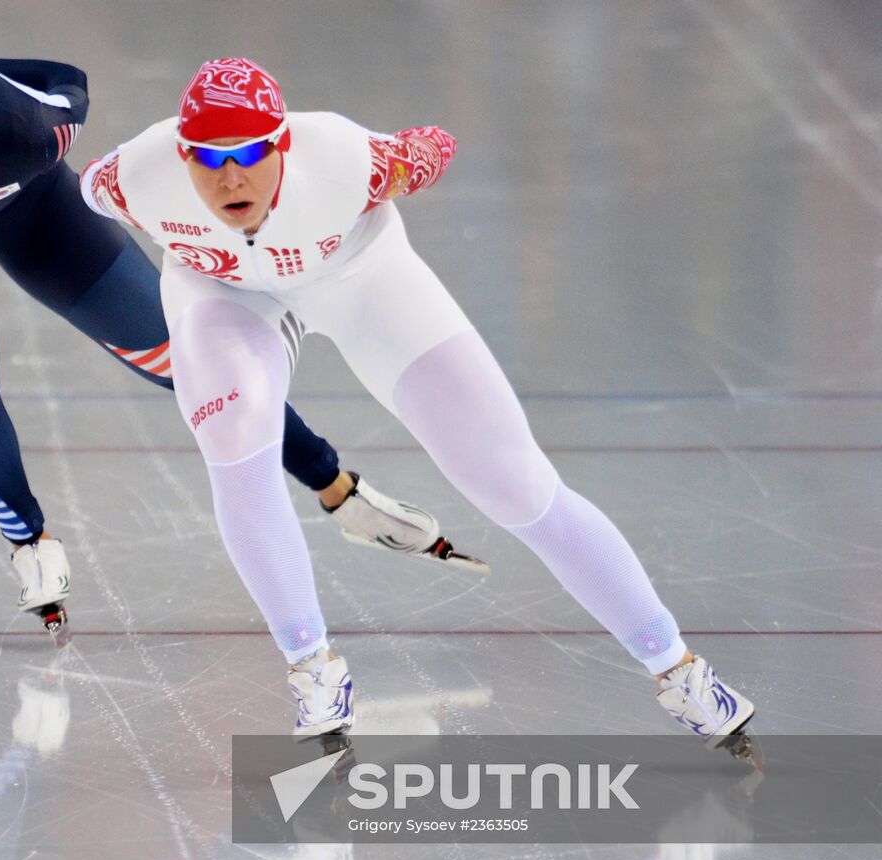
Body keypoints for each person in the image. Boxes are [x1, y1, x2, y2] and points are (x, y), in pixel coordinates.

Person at [80, 58, 758, 760]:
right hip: (226, 298)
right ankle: (312, 665)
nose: (230, 179)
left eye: (251, 153)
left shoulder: (346, 161)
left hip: (361, 277)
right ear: (181, 155)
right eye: (209, 160)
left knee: (513, 482)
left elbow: (435, 146)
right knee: (233, 433)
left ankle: (678, 669)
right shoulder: (131, 178)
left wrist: (419, 153)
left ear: (282, 144)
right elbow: (72, 175)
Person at [0, 44, 483, 633]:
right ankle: (28, 540)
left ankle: (339, 490)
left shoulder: (25, 130)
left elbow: (66, 84)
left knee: (186, 357)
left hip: (33, 211)